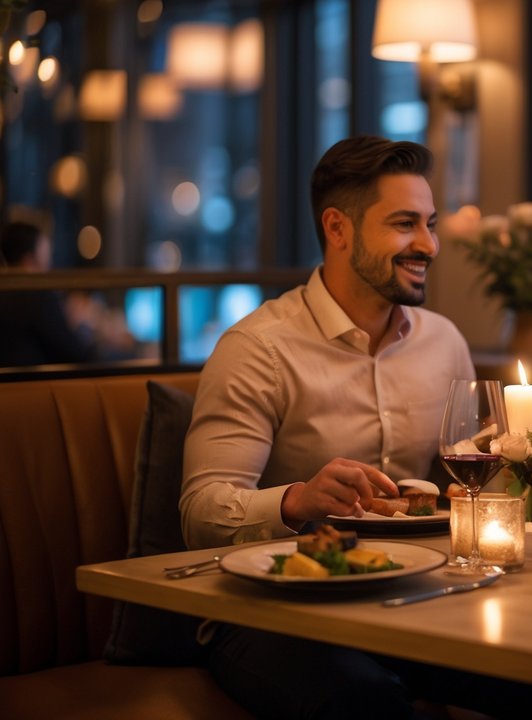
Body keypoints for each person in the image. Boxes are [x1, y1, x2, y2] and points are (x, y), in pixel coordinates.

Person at [180, 136, 475, 718]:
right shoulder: (258, 348)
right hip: (271, 611)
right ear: (337, 228)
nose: (428, 244)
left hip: (410, 595)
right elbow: (201, 513)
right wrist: (296, 500)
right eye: (404, 224)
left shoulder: (444, 342)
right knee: (364, 700)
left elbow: (477, 477)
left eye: (430, 224)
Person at [0, 220, 94, 366]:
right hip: (34, 379)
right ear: (29, 261)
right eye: (46, 259)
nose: (49, 268)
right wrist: (81, 324)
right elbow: (77, 354)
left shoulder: (7, 291)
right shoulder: (36, 294)